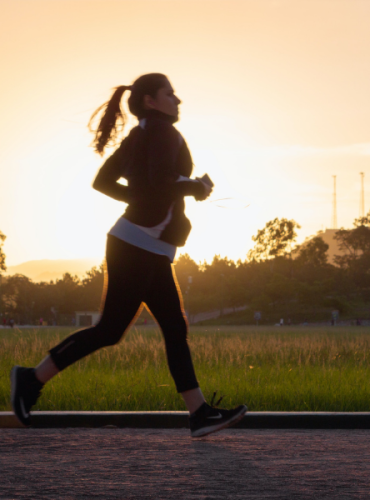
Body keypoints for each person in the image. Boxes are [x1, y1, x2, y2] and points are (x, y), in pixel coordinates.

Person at [10, 73, 247, 437]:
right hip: (137, 245)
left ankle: (199, 413)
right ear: (151, 100)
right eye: (170, 93)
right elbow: (159, 181)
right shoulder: (163, 134)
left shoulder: (140, 135)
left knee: (173, 326)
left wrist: (141, 200)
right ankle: (30, 378)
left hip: (143, 244)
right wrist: (196, 186)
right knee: (111, 330)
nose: (177, 100)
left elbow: (104, 182)